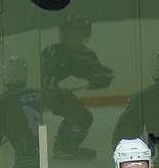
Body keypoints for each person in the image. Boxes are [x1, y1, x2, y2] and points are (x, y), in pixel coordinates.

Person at [39, 17, 113, 160]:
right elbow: (45, 74)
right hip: (47, 93)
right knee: (80, 115)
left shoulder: (85, 55)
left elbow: (99, 73)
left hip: (56, 94)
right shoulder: (52, 52)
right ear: (64, 35)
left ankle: (63, 145)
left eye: (80, 34)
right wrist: (49, 90)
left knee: (82, 117)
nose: (76, 38)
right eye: (72, 33)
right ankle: (64, 145)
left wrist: (99, 79)